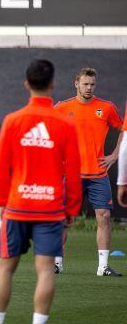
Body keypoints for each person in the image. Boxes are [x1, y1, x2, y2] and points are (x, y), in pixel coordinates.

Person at [0, 59, 81, 324]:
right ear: (53, 84)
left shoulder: (13, 120)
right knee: (46, 270)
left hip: (18, 205)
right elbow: (73, 171)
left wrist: (0, 201)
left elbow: (1, 166)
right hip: (50, 208)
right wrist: (71, 209)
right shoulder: (65, 124)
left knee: (5, 268)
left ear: (26, 84)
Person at [54, 68, 123, 276]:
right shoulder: (62, 108)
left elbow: (124, 130)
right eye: (85, 84)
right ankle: (57, 263)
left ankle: (102, 267)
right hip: (71, 175)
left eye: (92, 84)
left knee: (104, 217)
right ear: (76, 84)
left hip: (97, 175)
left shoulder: (106, 108)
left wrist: (114, 155)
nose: (89, 88)